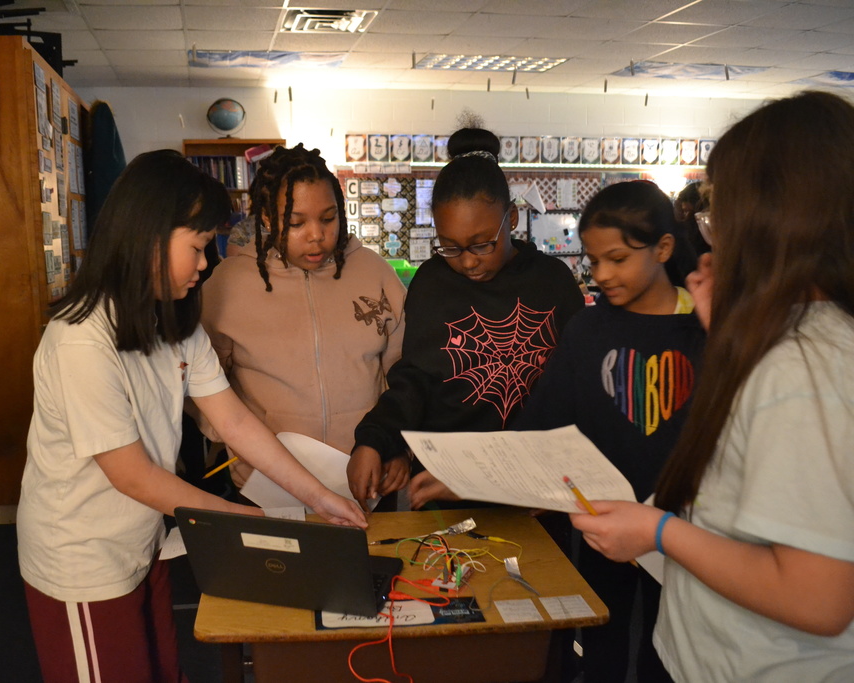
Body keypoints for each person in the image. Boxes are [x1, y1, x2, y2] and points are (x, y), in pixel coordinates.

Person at [16, 150, 365, 683]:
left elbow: (235, 423)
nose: (206, 264)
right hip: (82, 558)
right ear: (149, 237)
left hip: (142, 540)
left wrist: (319, 496)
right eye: (199, 247)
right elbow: (130, 473)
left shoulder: (171, 322)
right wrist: (242, 521)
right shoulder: (81, 340)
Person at [570, 90, 854, 682]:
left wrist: (658, 531)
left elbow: (817, 598)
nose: (711, 229)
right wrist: (725, 332)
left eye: (720, 208)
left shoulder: (803, 365)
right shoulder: (797, 337)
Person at [412, 180, 703, 682]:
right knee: (598, 638)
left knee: (673, 648)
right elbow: (540, 422)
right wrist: (465, 476)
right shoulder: (588, 331)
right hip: (597, 520)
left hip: (682, 528)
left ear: (664, 248)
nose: (602, 275)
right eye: (593, 262)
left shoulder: (705, 327)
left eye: (617, 258)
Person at [348, 125, 585, 506]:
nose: (469, 261)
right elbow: (414, 381)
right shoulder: (433, 283)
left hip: (535, 486)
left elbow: (574, 391)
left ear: (511, 220)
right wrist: (375, 440)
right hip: (446, 481)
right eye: (450, 247)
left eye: (481, 244)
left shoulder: (552, 282)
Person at [200, 144, 406, 497]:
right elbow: (202, 383)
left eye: (328, 218)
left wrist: (398, 446)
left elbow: (405, 376)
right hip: (267, 486)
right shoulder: (228, 284)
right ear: (266, 219)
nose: (316, 235)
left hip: (365, 481)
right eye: (296, 222)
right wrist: (232, 444)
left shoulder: (375, 273)